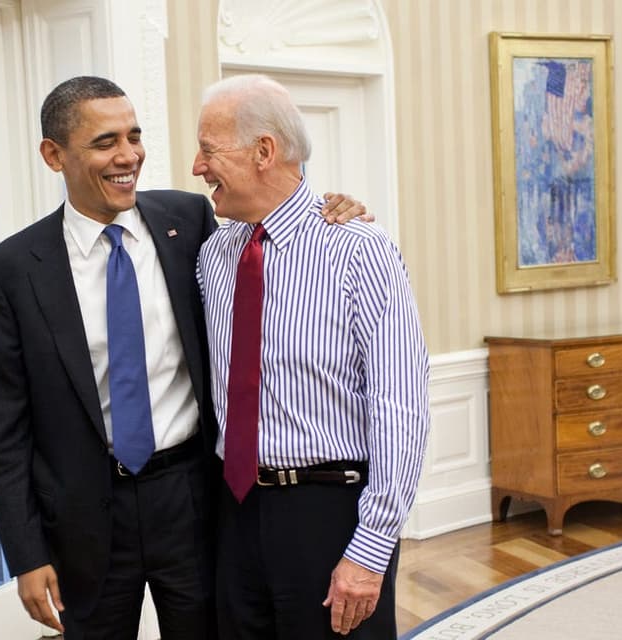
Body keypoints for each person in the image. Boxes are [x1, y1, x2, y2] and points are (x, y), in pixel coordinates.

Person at [0, 76, 366, 639]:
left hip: (193, 498)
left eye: (134, 136)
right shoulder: (10, 273)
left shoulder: (190, 223)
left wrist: (333, 203)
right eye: (105, 142)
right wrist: (26, 553)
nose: (128, 155)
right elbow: (4, 433)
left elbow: (273, 215)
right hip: (86, 515)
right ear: (53, 155)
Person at [193, 73, 430, 639]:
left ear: (264, 153)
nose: (198, 168)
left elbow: (400, 406)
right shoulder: (213, 254)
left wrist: (371, 550)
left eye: (208, 151)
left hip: (332, 514)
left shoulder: (360, 252)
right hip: (236, 512)